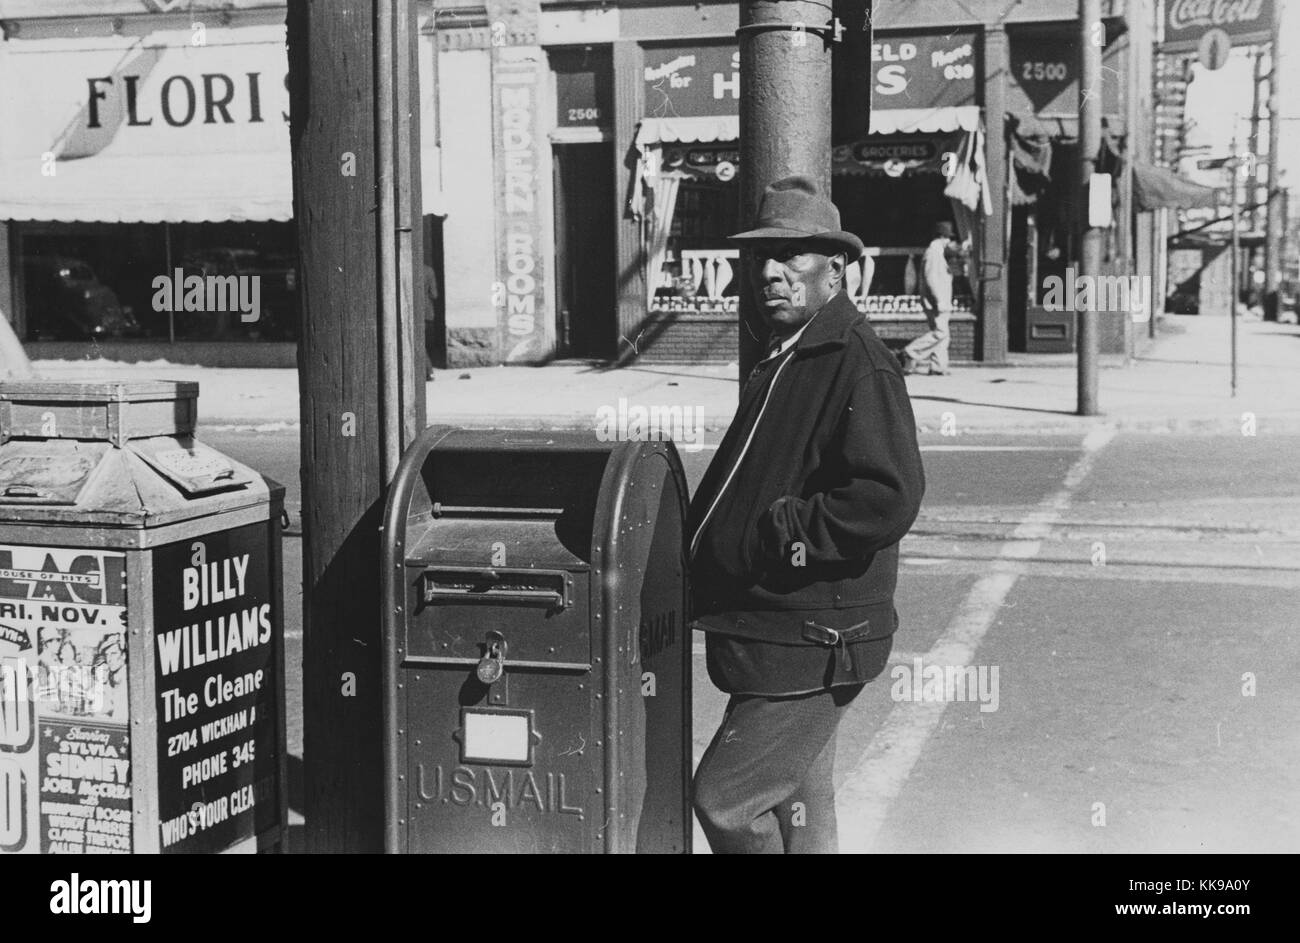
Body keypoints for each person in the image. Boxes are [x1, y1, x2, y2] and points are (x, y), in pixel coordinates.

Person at [689, 175, 925, 854]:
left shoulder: (853, 361)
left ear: (836, 271)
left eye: (793, 258)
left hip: (815, 639)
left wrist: (784, 532)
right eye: (761, 258)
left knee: (726, 798)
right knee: (799, 799)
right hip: (786, 635)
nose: (771, 273)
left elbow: (889, 495)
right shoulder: (791, 352)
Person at [902, 221, 959, 376]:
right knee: (940, 332)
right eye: (948, 237)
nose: (949, 241)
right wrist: (939, 299)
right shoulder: (933, 253)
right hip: (937, 301)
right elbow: (931, 278)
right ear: (942, 237)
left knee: (943, 333)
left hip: (938, 301)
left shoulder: (936, 252)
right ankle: (910, 351)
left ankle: (938, 366)